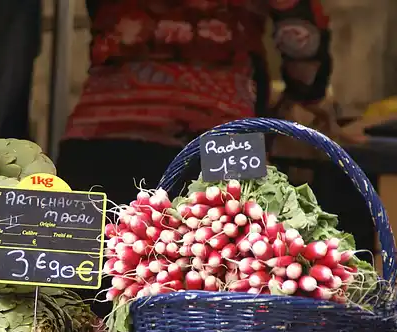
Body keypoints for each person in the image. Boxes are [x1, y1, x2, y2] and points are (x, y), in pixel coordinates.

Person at [53, 1, 335, 332]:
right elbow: (304, 58)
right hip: (222, 135)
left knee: (95, 320)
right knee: (220, 303)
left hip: (104, 134)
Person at [57, 0, 335, 208]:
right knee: (223, 268)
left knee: (91, 271)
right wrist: (305, 95)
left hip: (101, 133)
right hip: (224, 137)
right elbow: (302, 36)